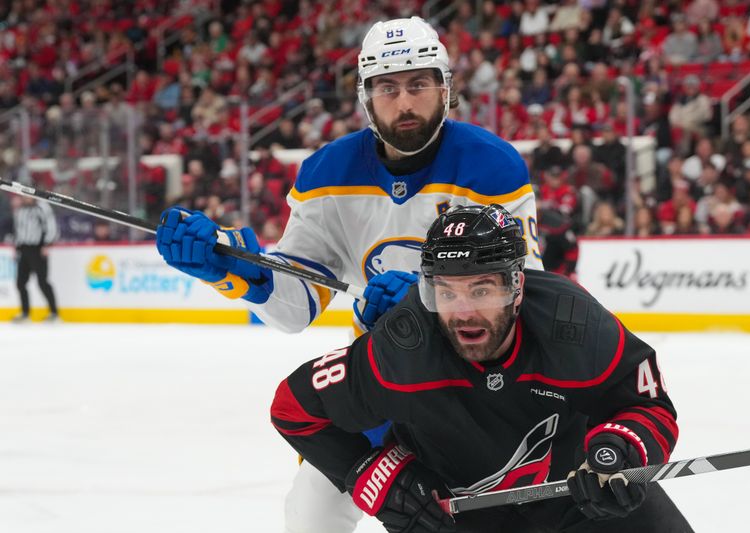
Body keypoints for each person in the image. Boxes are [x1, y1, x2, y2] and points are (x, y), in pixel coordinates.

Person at [155, 16, 544, 533]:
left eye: (418, 84)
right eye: (388, 88)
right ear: (366, 96)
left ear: (445, 90)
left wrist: (428, 307)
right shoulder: (327, 173)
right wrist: (234, 271)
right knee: (310, 514)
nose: (404, 102)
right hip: (379, 380)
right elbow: (296, 306)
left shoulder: (491, 165)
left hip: (471, 386)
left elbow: (524, 298)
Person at [271, 204, 693, 532]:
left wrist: (619, 452)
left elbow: (648, 405)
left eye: (481, 290)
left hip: (582, 497)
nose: (463, 313)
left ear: (517, 286)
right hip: (461, 516)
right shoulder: (405, 344)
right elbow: (293, 407)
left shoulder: (572, 323)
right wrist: (378, 476)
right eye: (446, 293)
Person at [11, 196, 60, 322]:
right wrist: (16, 247)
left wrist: (47, 244)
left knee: (42, 282)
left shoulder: (42, 207)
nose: (26, 198)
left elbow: (51, 226)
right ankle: (25, 313)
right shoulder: (20, 209)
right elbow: (18, 230)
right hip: (24, 249)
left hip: (38, 249)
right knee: (20, 283)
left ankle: (54, 313)